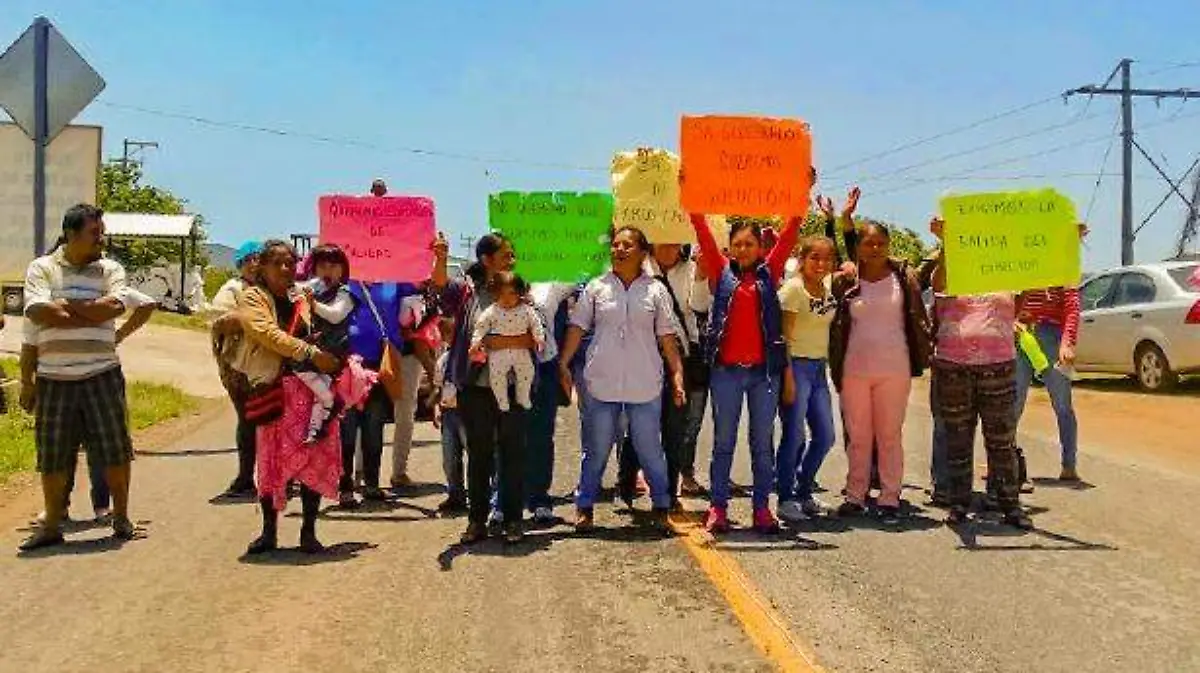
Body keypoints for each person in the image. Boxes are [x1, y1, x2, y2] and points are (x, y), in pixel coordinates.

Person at [19, 204, 139, 550]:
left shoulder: (110, 269)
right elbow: (37, 313)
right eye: (94, 233)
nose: (101, 239)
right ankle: (53, 524)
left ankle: (121, 517)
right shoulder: (42, 268)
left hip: (101, 373)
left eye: (101, 232)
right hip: (53, 378)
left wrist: (63, 308)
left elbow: (116, 307)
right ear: (71, 234)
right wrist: (90, 313)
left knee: (115, 449)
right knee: (53, 453)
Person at [559, 226, 686, 532]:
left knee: (649, 448)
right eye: (616, 245)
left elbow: (667, 338)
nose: (619, 250)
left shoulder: (655, 290)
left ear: (643, 253)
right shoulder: (596, 288)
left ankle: (661, 504)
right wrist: (563, 363)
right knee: (596, 449)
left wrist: (677, 376)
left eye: (627, 245)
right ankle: (584, 506)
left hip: (645, 385)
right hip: (602, 383)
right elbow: (577, 327)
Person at [687, 201, 803, 534]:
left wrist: (801, 194)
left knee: (761, 443)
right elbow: (701, 230)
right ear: (730, 247)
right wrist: (689, 193)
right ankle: (718, 507)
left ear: (760, 247)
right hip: (726, 373)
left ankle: (762, 509)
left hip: (762, 374)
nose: (743, 249)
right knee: (723, 442)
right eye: (737, 244)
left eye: (749, 244)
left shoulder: (771, 272)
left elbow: (791, 233)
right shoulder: (720, 270)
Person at [238, 240, 346, 554]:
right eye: (278, 263)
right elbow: (266, 334)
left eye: (290, 263)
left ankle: (309, 532)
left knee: (314, 456)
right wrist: (310, 350)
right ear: (261, 266)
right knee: (271, 462)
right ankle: (269, 532)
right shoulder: (253, 297)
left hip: (310, 389)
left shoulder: (302, 297)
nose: (285, 269)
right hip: (274, 388)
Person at [925, 218, 1030, 528]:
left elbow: (1021, 304)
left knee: (1002, 440)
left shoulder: (1011, 274)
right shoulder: (951, 269)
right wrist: (946, 242)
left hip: (998, 366)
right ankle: (959, 503)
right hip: (953, 367)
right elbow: (938, 285)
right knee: (958, 438)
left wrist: (1062, 244)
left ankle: (1010, 504)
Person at [435, 233, 535, 545]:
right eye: (506, 255)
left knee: (513, 456)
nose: (512, 261)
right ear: (486, 260)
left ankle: (514, 521)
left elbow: (533, 338)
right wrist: (441, 256)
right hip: (475, 391)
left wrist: (492, 342)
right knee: (479, 457)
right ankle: (476, 521)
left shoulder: (521, 292)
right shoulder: (467, 292)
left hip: (513, 389)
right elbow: (439, 285)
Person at [829, 223, 931, 524]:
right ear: (858, 247)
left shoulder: (904, 277)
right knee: (858, 436)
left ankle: (889, 497)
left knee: (889, 435)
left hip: (894, 369)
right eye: (869, 243)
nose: (875, 248)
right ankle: (855, 495)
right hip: (853, 370)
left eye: (881, 243)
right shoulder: (844, 280)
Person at [616, 241, 711, 508]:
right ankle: (626, 480)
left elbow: (701, 307)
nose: (669, 248)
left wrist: (703, 275)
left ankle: (669, 491)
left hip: (681, 356)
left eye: (674, 243)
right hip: (642, 356)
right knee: (639, 421)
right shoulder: (638, 268)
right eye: (663, 243)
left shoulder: (692, 268)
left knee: (675, 426)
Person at [775, 235, 843, 522]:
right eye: (815, 257)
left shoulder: (827, 289)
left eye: (827, 258)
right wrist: (788, 377)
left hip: (818, 368)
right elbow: (783, 339)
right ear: (802, 259)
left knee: (826, 435)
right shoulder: (793, 290)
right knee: (794, 435)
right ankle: (785, 498)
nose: (821, 263)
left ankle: (803, 490)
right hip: (796, 367)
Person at [1014, 284, 1082, 483]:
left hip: (1052, 334)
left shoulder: (1060, 263)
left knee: (1062, 403)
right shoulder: (1020, 261)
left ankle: (1069, 465)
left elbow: (1072, 305)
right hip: (1021, 334)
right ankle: (1002, 464)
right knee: (1013, 402)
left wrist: (1067, 342)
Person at [211, 242, 262, 496]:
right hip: (238, 369)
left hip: (269, 366)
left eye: (259, 259)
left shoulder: (274, 288)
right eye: (249, 259)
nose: (254, 264)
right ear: (240, 265)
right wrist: (257, 319)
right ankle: (245, 476)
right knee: (248, 420)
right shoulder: (232, 288)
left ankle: (279, 475)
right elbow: (221, 320)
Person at [295, 245, 355, 443]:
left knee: (300, 369)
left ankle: (331, 401)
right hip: (317, 346)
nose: (327, 271)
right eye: (322, 266)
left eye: (333, 266)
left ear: (343, 269)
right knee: (318, 396)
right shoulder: (313, 289)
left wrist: (313, 305)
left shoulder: (346, 293)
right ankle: (315, 431)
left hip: (333, 348)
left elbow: (336, 316)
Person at [469, 272, 545, 411]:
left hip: (520, 351)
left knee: (528, 372)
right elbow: (480, 327)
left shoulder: (526, 310)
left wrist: (539, 338)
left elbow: (536, 324)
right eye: (502, 294)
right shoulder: (492, 311)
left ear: (519, 294)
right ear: (495, 294)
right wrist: (476, 342)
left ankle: (522, 396)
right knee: (497, 377)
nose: (507, 298)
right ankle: (502, 401)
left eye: (511, 293)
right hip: (499, 352)